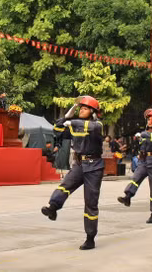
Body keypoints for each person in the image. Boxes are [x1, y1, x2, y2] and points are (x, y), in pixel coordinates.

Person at [41, 96, 104, 250]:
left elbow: (90, 127)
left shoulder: (97, 125)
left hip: (94, 166)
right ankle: (53, 208)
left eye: (85, 108)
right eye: (80, 108)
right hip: (80, 164)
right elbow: (57, 131)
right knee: (65, 186)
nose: (81, 110)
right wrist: (65, 117)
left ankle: (90, 238)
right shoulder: (75, 126)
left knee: (91, 202)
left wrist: (72, 122)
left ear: (93, 112)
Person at [117, 108, 152, 223]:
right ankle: (127, 197)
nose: (150, 121)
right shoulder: (144, 133)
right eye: (148, 119)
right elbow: (141, 145)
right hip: (144, 160)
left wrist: (141, 135)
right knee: (135, 178)